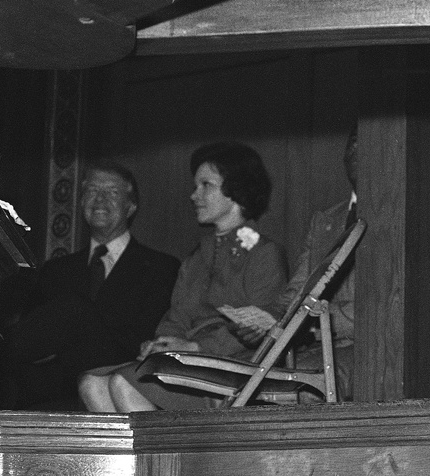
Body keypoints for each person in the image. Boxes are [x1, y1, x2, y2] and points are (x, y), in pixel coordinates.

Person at [78, 141, 287, 412]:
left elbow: (263, 329)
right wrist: (162, 343)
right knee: (91, 383)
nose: (194, 195)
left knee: (123, 383)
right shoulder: (197, 256)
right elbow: (177, 316)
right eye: (195, 186)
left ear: (235, 190)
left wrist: (196, 346)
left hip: (233, 368)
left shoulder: (264, 253)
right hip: (189, 361)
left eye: (206, 185)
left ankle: (166, 454)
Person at [0, 160, 180, 409]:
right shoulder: (55, 271)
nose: (100, 200)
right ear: (81, 202)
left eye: (112, 193)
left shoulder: (161, 268)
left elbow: (145, 339)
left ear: (131, 206)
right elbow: (31, 340)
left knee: (75, 309)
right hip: (54, 394)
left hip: (117, 386)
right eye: (92, 191)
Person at [230, 125, 359, 399]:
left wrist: (304, 323)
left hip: (364, 350)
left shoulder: (399, 216)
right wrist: (267, 320)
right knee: (238, 376)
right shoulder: (325, 220)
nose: (359, 152)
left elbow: (380, 312)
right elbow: (296, 292)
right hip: (311, 346)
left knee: (269, 385)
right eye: (354, 142)